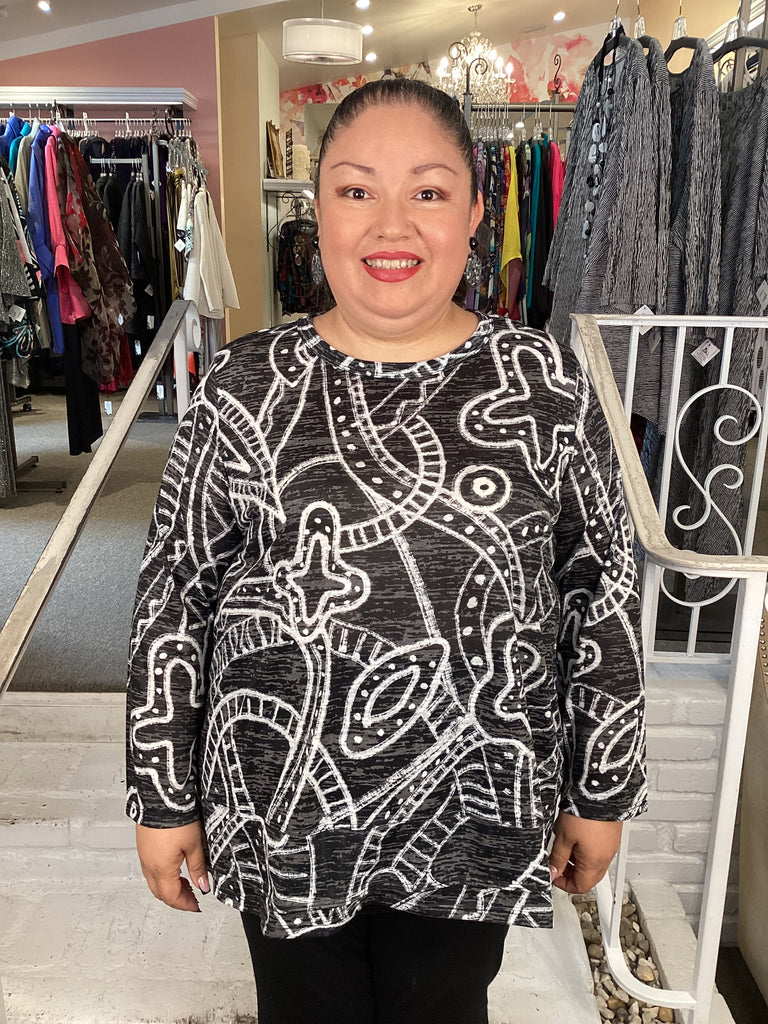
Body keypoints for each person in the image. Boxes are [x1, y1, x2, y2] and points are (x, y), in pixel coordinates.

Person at [125, 78, 647, 1024]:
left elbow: (599, 590)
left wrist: (601, 788)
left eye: (429, 191)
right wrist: (163, 795)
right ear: (317, 209)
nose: (391, 226)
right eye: (357, 190)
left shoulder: (543, 383)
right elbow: (176, 591)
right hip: (284, 802)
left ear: (477, 212)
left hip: (474, 802)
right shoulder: (246, 382)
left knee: (442, 1007)